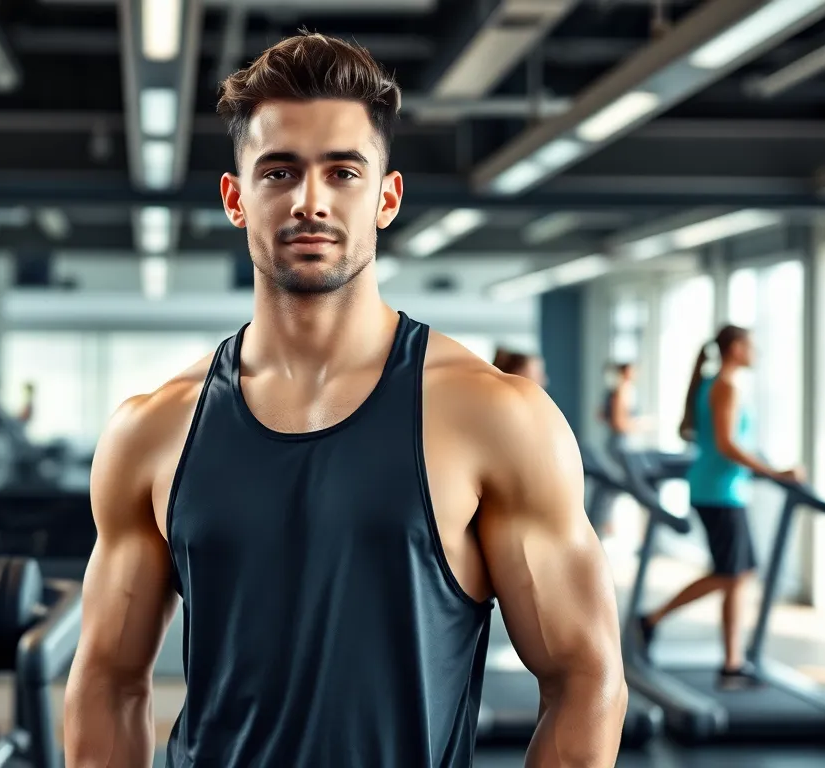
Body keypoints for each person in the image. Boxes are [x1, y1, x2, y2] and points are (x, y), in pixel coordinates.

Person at [64, 33, 626, 768]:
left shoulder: (496, 418)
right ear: (236, 199)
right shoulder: (154, 429)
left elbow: (585, 678)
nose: (309, 201)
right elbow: (108, 682)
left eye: (342, 172)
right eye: (279, 172)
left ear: (385, 197)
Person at [635, 325, 802, 686]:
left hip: (723, 490)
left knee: (737, 575)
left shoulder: (716, 384)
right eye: (751, 345)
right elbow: (727, 444)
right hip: (718, 491)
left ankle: (731, 662)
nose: (755, 351)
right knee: (732, 574)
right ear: (735, 349)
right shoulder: (725, 386)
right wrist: (775, 472)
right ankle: (650, 621)